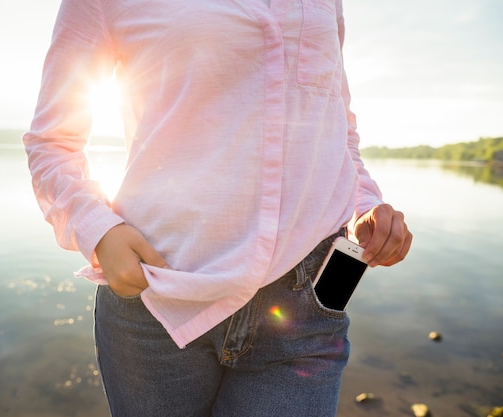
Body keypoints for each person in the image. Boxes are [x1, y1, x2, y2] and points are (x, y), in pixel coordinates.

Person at [23, 0, 412, 415]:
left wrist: (366, 204)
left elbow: (338, 126)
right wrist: (97, 228)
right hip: (159, 290)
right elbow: (52, 142)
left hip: (307, 299)